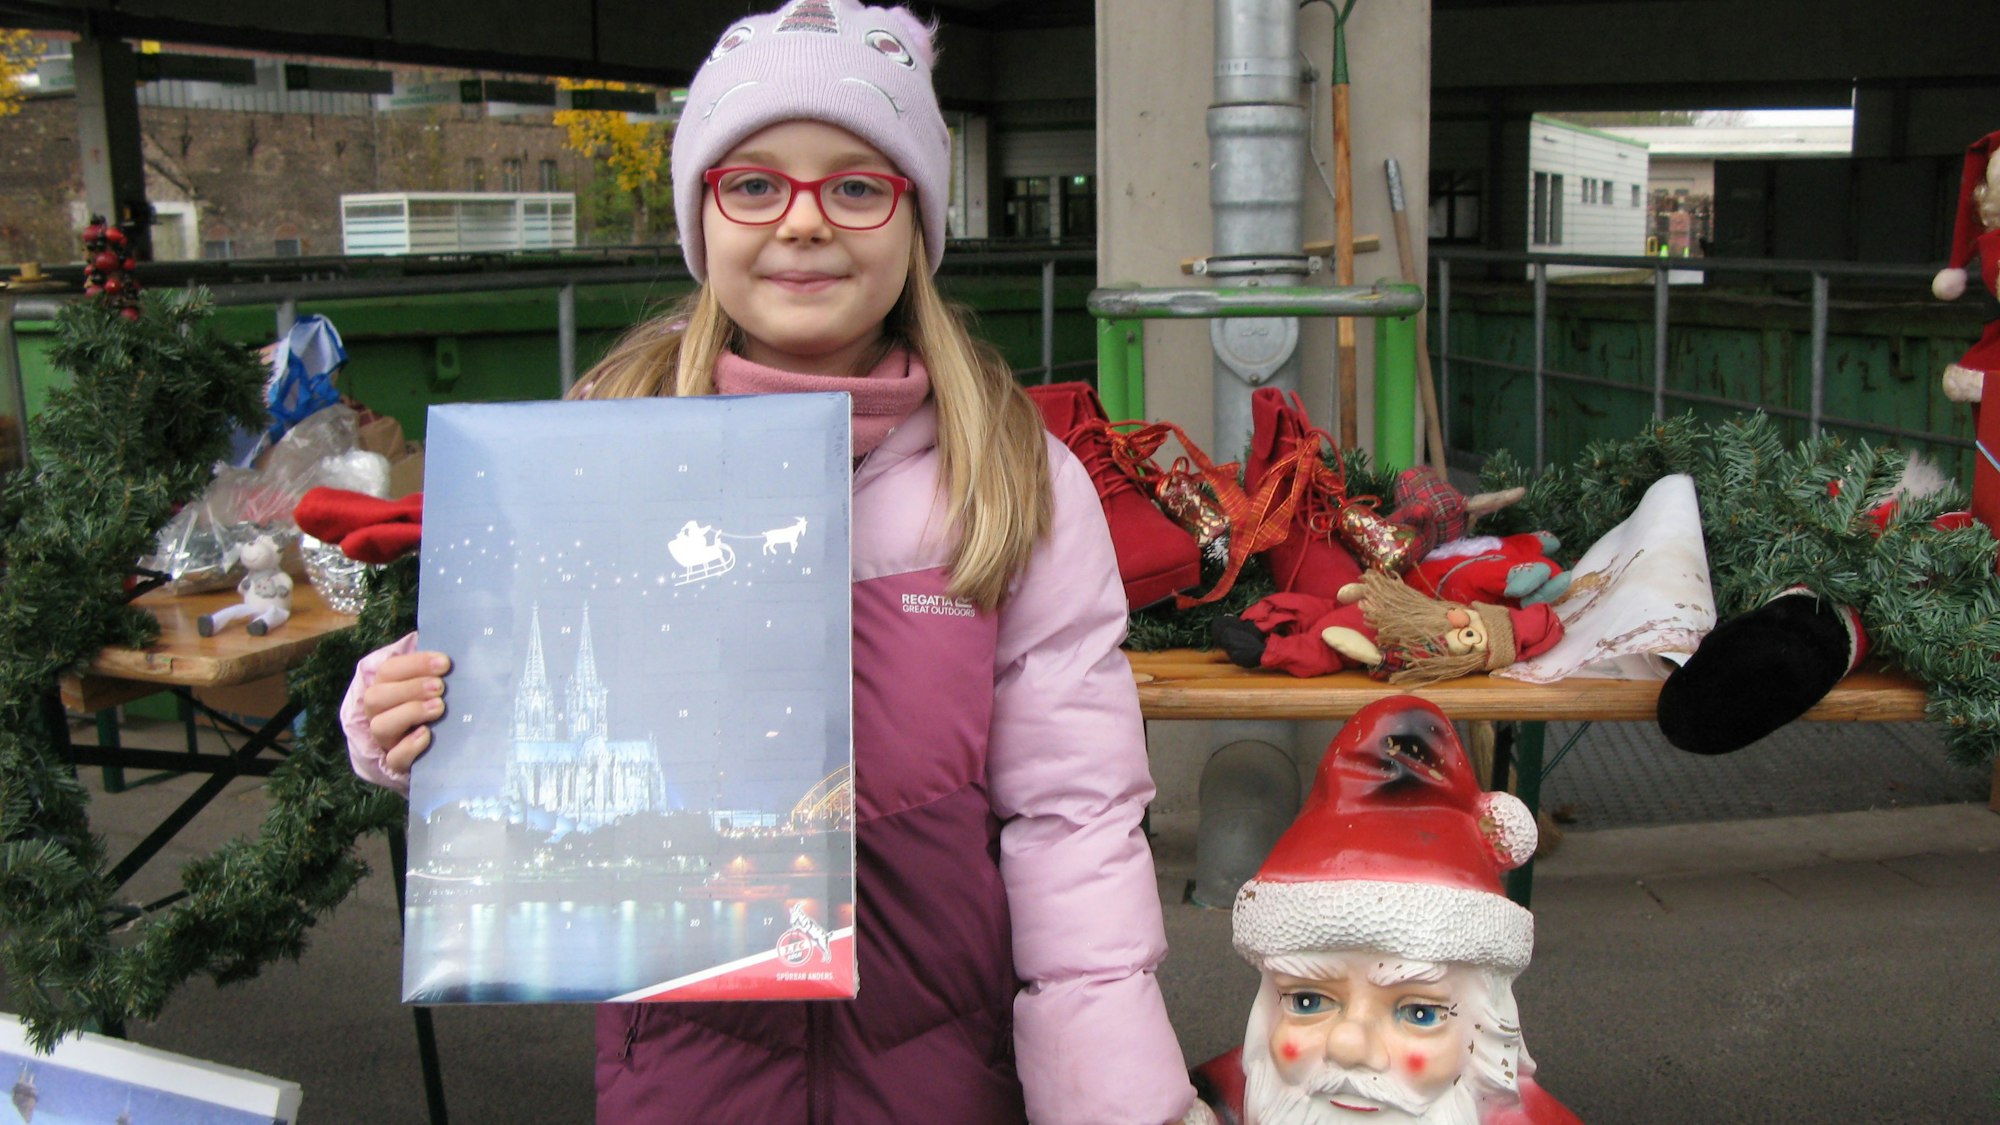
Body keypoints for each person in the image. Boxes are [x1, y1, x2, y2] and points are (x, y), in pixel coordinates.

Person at [339, 3, 1199, 1122]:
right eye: (753, 184)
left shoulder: (1009, 478)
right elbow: (515, 682)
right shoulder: (604, 438)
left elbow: (1074, 820)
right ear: (703, 216)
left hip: (937, 1065)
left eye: (857, 185)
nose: (802, 222)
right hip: (689, 1070)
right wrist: (406, 713)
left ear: (918, 218)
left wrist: (1116, 1100)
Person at [1189, 697, 1580, 1125]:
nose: (1349, 1046)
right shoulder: (1213, 1101)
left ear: (1487, 1031)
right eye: (1306, 1001)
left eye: (1419, 1013)